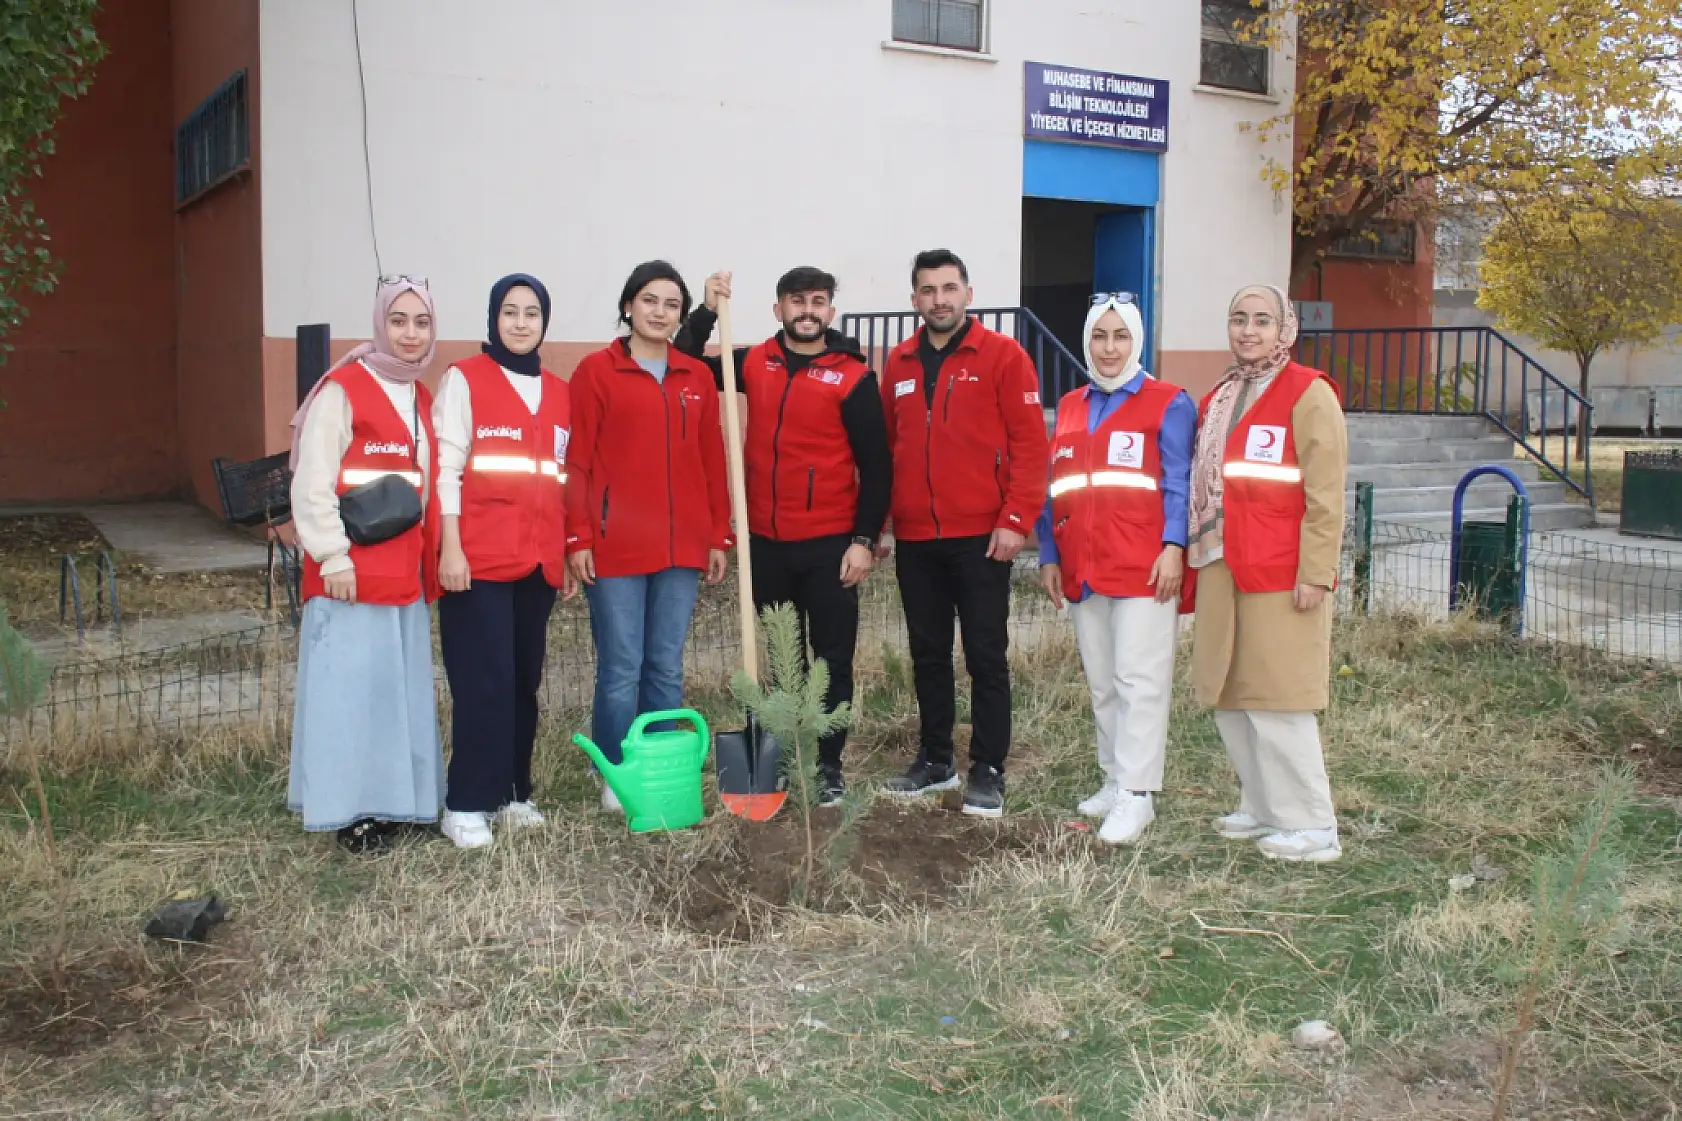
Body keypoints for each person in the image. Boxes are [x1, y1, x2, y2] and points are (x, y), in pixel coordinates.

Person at [673, 267, 893, 807]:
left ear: (830, 313)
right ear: (779, 310)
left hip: (829, 544)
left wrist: (864, 539)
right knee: (779, 654)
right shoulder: (752, 361)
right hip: (765, 542)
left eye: (818, 302)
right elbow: (682, 359)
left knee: (831, 659)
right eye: (797, 302)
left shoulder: (852, 378)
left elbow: (879, 466)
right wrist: (705, 310)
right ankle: (783, 753)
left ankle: (829, 766)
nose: (808, 311)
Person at [878, 249, 1051, 817]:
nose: (940, 300)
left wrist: (1015, 520)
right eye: (928, 290)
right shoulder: (899, 364)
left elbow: (1030, 446)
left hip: (983, 537)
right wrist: (881, 526)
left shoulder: (1003, 356)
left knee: (985, 654)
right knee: (928, 652)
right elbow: (886, 451)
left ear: (968, 295)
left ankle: (988, 766)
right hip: (917, 539)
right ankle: (935, 761)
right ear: (914, 300)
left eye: (949, 288)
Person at [1188, 284, 1348, 863]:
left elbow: (1327, 496)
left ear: (1286, 329)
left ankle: (1311, 825)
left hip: (1282, 573)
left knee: (1279, 698)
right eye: (1238, 319)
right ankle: (1261, 805)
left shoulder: (1309, 395)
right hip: (1222, 564)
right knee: (1230, 692)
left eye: (1262, 320)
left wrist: (1317, 572)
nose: (1248, 330)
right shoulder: (1220, 396)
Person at [565, 261, 733, 809]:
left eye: (671, 305)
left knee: (664, 664)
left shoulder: (696, 377)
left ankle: (659, 765)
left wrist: (717, 535)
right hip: (615, 546)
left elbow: (713, 460)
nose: (660, 313)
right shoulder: (597, 372)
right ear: (629, 306)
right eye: (649, 301)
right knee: (621, 666)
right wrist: (578, 536)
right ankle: (617, 771)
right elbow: (580, 463)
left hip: (682, 548)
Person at [286, 277, 444, 855]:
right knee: (349, 696)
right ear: (381, 324)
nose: (409, 333)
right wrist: (331, 554)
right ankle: (349, 810)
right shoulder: (343, 389)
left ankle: (395, 801)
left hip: (402, 577)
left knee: (393, 694)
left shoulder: (421, 396)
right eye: (399, 320)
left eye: (421, 322)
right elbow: (312, 481)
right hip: (350, 575)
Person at [1035, 293, 1195, 845]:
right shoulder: (1074, 404)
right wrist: (1050, 555)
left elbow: (1179, 481)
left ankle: (1137, 794)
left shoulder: (1168, 402)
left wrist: (1174, 545)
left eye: (1120, 336)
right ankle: (1113, 777)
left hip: (1143, 567)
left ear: (1137, 341)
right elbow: (1055, 487)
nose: (1109, 348)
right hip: (1083, 566)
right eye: (1100, 336)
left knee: (1139, 681)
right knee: (1103, 682)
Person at [431, 274, 571, 850]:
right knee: (481, 683)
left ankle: (514, 792)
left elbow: (560, 478)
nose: (520, 322)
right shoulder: (464, 379)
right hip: (478, 561)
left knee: (521, 684)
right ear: (493, 319)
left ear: (544, 322)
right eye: (509, 312)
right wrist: (450, 545)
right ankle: (466, 801)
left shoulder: (560, 392)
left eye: (531, 313)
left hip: (537, 565)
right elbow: (447, 469)